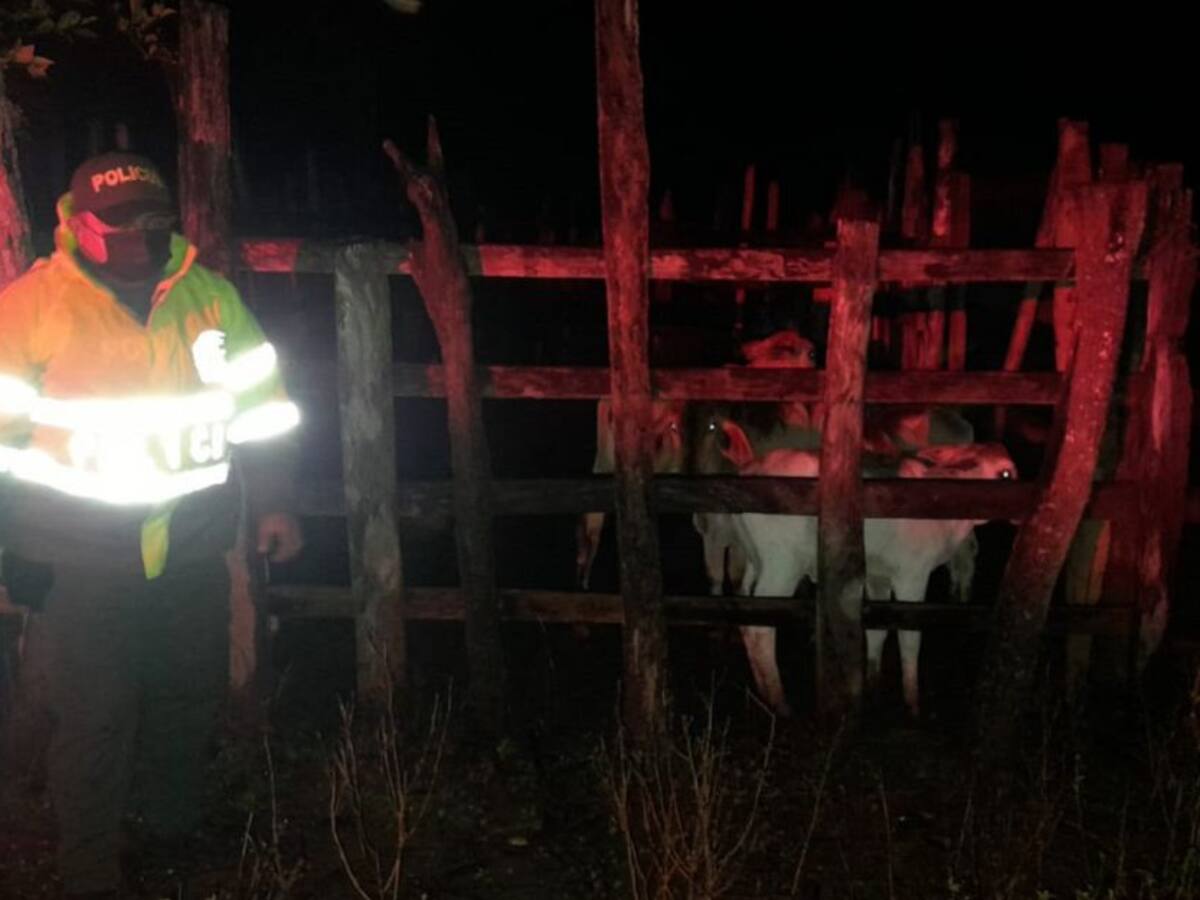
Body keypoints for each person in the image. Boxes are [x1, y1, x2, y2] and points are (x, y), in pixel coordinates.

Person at [0, 151, 304, 897]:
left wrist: (273, 502)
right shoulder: (30, 308)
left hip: (194, 549)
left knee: (186, 696)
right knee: (94, 718)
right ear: (80, 225)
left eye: (155, 221)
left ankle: (172, 832)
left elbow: (262, 413)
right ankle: (89, 869)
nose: (142, 235)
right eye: (123, 223)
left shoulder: (211, 298)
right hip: (76, 558)